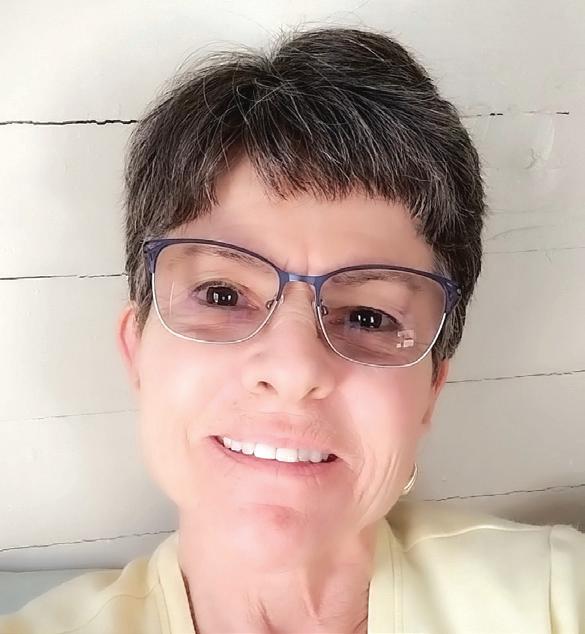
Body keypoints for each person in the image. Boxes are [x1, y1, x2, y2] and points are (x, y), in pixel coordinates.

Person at [2, 25, 584, 634]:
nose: (293, 370)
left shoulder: (557, 600)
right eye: (222, 294)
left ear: (430, 392)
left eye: (369, 317)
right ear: (135, 352)